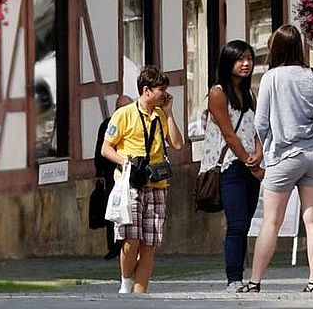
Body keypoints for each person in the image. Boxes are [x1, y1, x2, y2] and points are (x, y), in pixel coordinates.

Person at [245, 24, 313, 294]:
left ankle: (255, 281)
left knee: (271, 221)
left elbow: (260, 122)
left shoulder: (272, 77)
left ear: (276, 48)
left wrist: (264, 151)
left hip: (284, 155)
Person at [101, 66, 185, 294]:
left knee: (149, 244)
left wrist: (169, 112)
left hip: (157, 185)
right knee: (131, 240)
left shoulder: (160, 114)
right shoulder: (124, 114)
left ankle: (140, 298)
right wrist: (126, 162)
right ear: (146, 90)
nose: (165, 94)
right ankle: (126, 282)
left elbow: (178, 144)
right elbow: (106, 149)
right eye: (161, 90)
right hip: (131, 185)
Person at [200, 40, 263, 293]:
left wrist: (258, 154)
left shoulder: (249, 94)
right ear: (228, 62)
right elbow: (228, 133)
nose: (246, 63)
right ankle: (233, 278)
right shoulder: (218, 93)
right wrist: (250, 162)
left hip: (251, 166)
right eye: (240, 59)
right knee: (236, 223)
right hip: (230, 166)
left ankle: (241, 275)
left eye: (249, 58)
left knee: (246, 224)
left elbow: (258, 130)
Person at [90, 94, 132, 260]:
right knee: (112, 210)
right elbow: (100, 149)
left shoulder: (134, 122)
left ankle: (127, 244)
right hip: (111, 174)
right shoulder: (107, 125)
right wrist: (99, 173)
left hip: (130, 174)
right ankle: (113, 246)